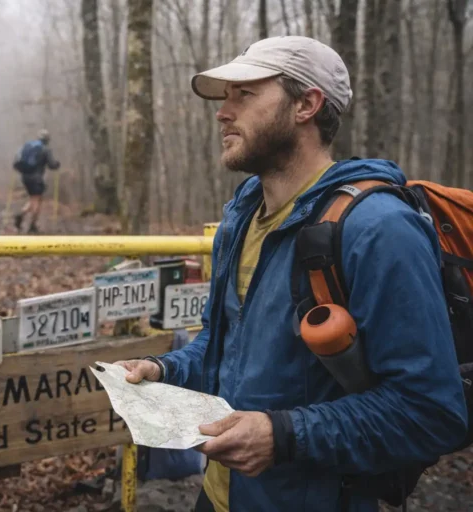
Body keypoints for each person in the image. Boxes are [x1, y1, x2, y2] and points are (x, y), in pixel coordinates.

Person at [113, 36, 468, 511]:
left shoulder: (378, 229)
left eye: (245, 94)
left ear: (306, 104)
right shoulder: (241, 217)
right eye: (224, 97)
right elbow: (225, 348)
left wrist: (283, 436)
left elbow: (430, 413)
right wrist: (164, 370)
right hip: (220, 497)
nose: (223, 112)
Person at [12, 129, 60, 233]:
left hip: (25, 177)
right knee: (37, 200)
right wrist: (57, 164)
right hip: (37, 178)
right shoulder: (45, 149)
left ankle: (20, 216)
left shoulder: (29, 146)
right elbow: (52, 165)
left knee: (33, 198)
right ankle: (32, 225)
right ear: (47, 140)